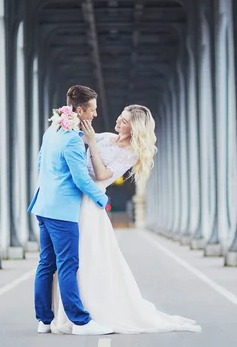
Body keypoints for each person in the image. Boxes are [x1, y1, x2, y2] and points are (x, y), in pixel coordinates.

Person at [50, 104, 202, 334]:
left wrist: (91, 143)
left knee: (88, 254)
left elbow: (102, 175)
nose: (119, 121)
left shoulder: (130, 152)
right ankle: (71, 311)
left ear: (135, 128)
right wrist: (67, 122)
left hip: (91, 204)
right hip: (75, 196)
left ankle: (89, 311)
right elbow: (75, 140)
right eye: (120, 117)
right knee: (70, 254)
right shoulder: (106, 137)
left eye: (125, 120)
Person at [29, 85, 114, 336]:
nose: (95, 115)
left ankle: (44, 320)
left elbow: (40, 161)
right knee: (68, 265)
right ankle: (80, 322)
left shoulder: (52, 130)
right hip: (62, 212)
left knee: (46, 264)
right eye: (93, 110)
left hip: (43, 205)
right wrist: (102, 198)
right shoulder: (72, 141)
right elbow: (82, 180)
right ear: (79, 110)